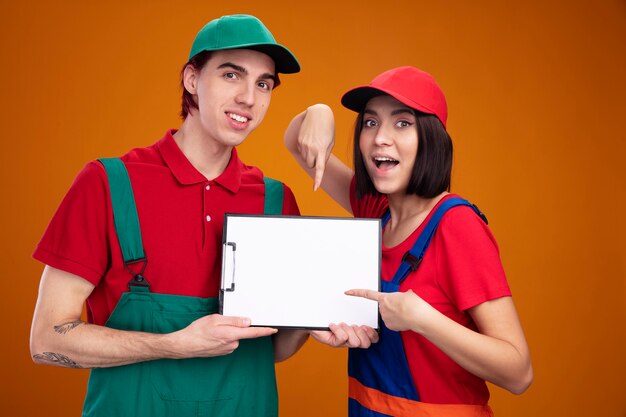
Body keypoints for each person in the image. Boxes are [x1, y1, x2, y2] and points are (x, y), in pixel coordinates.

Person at [30, 14, 309, 417]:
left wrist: (316, 320)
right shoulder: (108, 184)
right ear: (192, 80)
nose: (250, 97)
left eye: (263, 83)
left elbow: (273, 349)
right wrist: (172, 345)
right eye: (232, 75)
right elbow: (46, 341)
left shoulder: (275, 201)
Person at [284, 66, 533, 416]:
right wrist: (319, 113)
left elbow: (519, 372)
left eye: (402, 123)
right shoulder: (374, 210)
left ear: (431, 139)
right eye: (370, 123)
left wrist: (422, 319)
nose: (380, 138)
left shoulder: (457, 225)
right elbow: (297, 141)